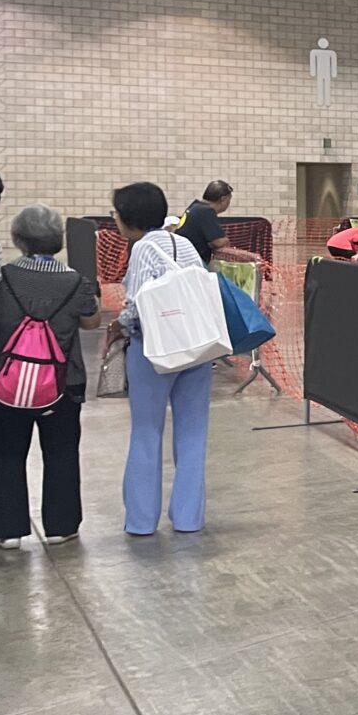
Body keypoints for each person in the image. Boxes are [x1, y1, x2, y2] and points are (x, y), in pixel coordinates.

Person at [110, 182, 216, 537]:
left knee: (146, 431)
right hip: (197, 348)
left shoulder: (142, 249)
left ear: (128, 218)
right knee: (192, 432)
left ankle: (141, 520)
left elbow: (137, 304)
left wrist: (117, 327)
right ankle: (189, 518)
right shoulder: (182, 243)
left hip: (153, 350)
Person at [0, 205, 103, 548]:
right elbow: (91, 322)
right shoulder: (75, 281)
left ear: (19, 239)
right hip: (63, 383)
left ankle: (5, 529)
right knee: (61, 452)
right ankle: (62, 525)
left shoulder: (4, 278)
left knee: (6, 453)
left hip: (6, 381)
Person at [174, 181, 258, 266]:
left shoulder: (195, 207)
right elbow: (219, 243)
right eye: (229, 200)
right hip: (191, 263)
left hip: (181, 259)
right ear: (223, 199)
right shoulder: (205, 211)